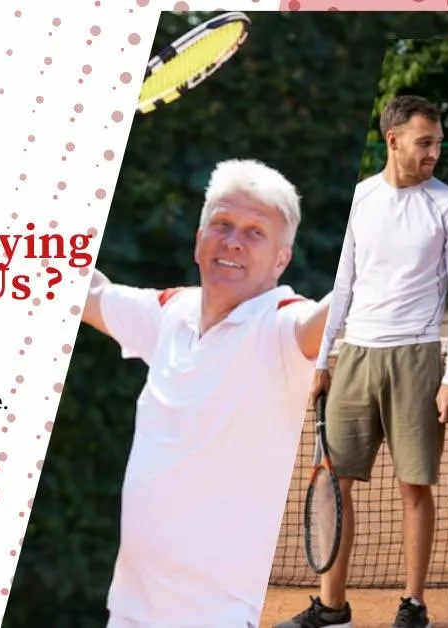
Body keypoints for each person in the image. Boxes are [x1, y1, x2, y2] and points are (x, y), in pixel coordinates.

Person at [81, 159, 331, 628]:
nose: (233, 241)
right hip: (132, 612)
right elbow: (88, 292)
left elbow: (328, 319)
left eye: (256, 232)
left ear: (281, 260)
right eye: (222, 224)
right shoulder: (170, 312)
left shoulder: (282, 325)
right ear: (199, 241)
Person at [279, 95, 448, 628]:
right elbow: (343, 283)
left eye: (438, 142)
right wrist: (323, 360)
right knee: (333, 484)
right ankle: (331, 607)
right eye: (424, 142)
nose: (434, 152)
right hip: (354, 357)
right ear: (393, 140)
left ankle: (413, 606)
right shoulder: (361, 198)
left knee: (414, 488)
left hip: (417, 357)